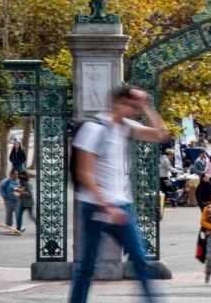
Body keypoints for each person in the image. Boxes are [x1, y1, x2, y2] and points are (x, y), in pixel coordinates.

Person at [69, 86, 169, 303]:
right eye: (131, 106)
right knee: (87, 266)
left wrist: (147, 107)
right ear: (117, 103)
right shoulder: (94, 128)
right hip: (95, 206)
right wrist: (107, 206)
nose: (133, 111)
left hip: (121, 205)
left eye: (135, 107)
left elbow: (161, 136)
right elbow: (84, 173)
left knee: (139, 258)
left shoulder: (126, 127)